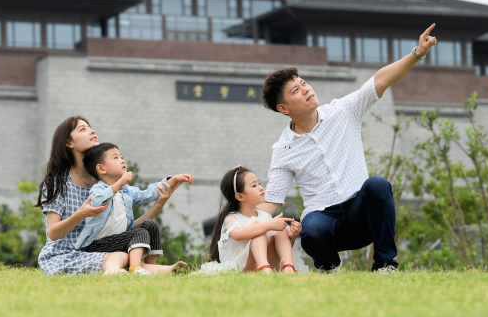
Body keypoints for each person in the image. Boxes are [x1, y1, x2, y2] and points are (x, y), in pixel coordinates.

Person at [257, 24, 439, 274]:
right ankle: (328, 267)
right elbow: (272, 202)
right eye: (296, 90)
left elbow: (381, 79)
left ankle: (386, 265)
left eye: (304, 83)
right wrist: (235, 218)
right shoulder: (284, 148)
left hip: (361, 214)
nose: (307, 89)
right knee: (311, 227)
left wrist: (417, 53)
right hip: (324, 221)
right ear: (283, 108)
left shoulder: (343, 111)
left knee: (377, 184)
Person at [36, 116, 187, 276]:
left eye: (90, 127)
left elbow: (122, 228)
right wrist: (82, 214)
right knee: (120, 257)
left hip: (98, 249)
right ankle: (117, 272)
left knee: (129, 252)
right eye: (83, 129)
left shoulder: (105, 182)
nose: (92, 131)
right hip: (64, 255)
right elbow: (53, 233)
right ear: (69, 143)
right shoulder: (58, 182)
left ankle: (169, 271)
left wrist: (159, 204)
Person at [76, 142, 192, 276]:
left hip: (120, 240)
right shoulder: (98, 189)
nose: (122, 160)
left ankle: (149, 268)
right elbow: (96, 201)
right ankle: (135, 268)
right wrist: (119, 183)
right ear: (101, 169)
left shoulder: (126, 191)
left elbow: (149, 193)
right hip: (98, 246)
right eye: (116, 158)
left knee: (152, 225)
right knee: (139, 233)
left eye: (121, 157)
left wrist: (172, 180)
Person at [198, 165, 304, 275]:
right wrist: (268, 225)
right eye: (254, 185)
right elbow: (237, 234)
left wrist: (291, 236)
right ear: (240, 197)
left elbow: (279, 248)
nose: (261, 187)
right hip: (245, 268)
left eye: (259, 183)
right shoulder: (232, 217)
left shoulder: (264, 216)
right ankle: (264, 268)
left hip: (272, 265)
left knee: (280, 230)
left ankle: (288, 268)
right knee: (259, 228)